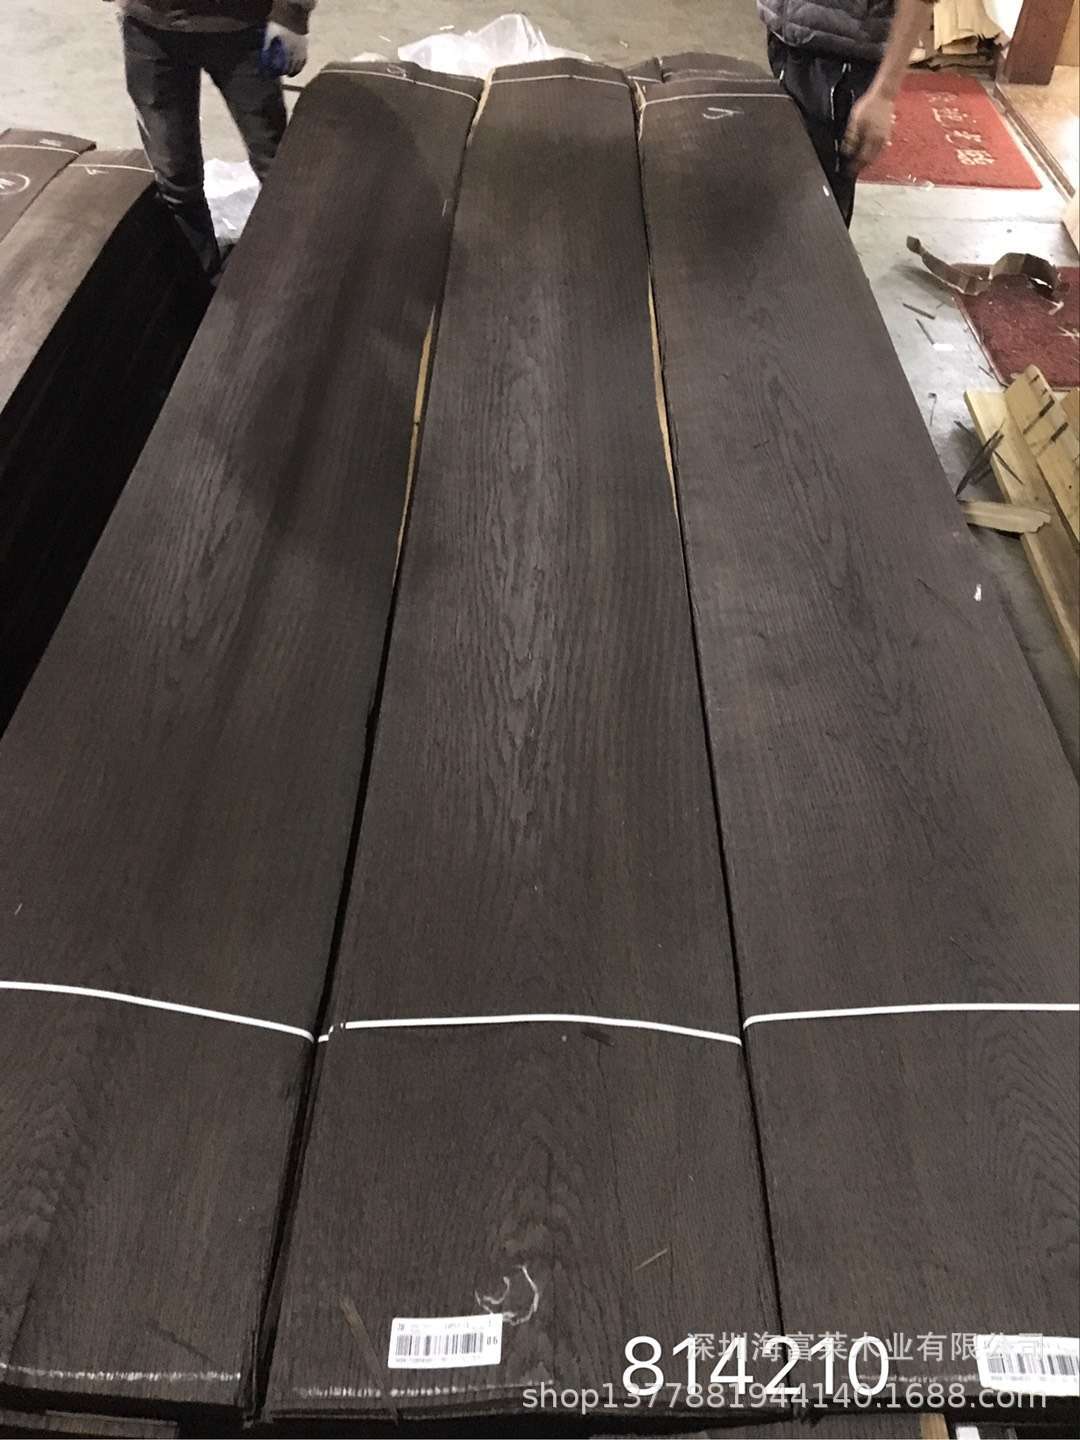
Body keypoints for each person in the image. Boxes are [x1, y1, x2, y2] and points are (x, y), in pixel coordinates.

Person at [110, 0, 316, 272]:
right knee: (174, 177)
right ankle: (201, 279)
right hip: (148, 27)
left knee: (278, 170)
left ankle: (292, 276)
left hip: (242, 26)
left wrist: (291, 14)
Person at [758, 0, 932, 224]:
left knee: (815, 216)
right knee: (782, 199)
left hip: (839, 66)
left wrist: (884, 93)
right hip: (787, 40)